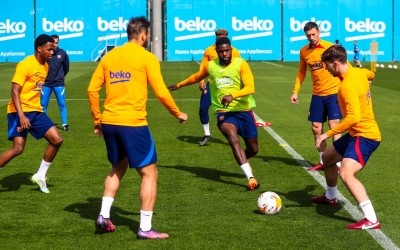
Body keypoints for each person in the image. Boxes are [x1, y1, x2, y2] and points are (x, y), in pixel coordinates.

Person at [87, 16, 187, 240]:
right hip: (133, 123)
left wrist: (97, 120)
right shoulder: (147, 57)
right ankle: (145, 227)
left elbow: (92, 90)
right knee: (149, 173)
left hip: (110, 122)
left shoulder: (109, 57)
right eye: (148, 35)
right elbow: (161, 91)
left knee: (119, 166)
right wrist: (177, 112)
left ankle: (103, 215)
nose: (148, 38)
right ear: (143, 34)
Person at [169, 37, 260, 191]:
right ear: (216, 52)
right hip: (223, 113)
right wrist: (179, 85)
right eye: (221, 51)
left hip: (244, 111)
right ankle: (250, 178)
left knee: (253, 149)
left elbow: (251, 87)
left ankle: (243, 160)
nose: (224, 53)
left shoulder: (241, 64)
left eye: (227, 50)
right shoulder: (211, 66)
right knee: (233, 139)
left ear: (231, 50)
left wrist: (233, 95)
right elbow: (197, 77)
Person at [311, 45, 381, 230]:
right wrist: (368, 82)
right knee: (327, 158)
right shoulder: (359, 72)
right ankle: (331, 197)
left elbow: (353, 118)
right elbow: (370, 74)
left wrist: (326, 134)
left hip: (366, 136)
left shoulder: (347, 85)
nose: (326, 70)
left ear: (335, 64)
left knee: (346, 173)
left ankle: (372, 219)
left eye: (327, 66)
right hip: (355, 134)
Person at [177, 28, 271, 146]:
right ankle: (207, 134)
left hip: (230, 86)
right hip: (213, 84)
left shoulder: (235, 51)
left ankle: (238, 130)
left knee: (235, 111)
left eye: (224, 35)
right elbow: (203, 68)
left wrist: (237, 90)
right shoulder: (208, 50)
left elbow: (239, 67)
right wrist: (201, 81)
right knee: (202, 108)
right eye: (219, 35)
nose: (221, 37)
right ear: (215, 36)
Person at [0, 34, 64, 194]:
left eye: (53, 49)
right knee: (18, 148)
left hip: (36, 111)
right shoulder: (26, 64)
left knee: (57, 140)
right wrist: (21, 116)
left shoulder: (46, 66)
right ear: (39, 48)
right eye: (49, 49)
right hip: (18, 111)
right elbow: (15, 91)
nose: (52, 52)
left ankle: (40, 175)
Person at [290, 21, 342, 171]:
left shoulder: (330, 48)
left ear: (319, 31)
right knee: (316, 128)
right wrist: (295, 91)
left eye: (313, 34)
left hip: (333, 93)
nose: (311, 37)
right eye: (308, 35)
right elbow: (301, 72)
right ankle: (323, 160)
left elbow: (345, 66)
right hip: (317, 95)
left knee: (334, 127)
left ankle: (337, 161)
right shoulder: (304, 51)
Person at [41, 34, 70, 131]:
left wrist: (60, 77)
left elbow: (66, 68)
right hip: (46, 84)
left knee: (62, 104)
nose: (55, 44)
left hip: (58, 83)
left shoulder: (62, 53)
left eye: (57, 43)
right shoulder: (45, 53)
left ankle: (65, 125)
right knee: (43, 104)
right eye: (53, 43)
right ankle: (42, 124)